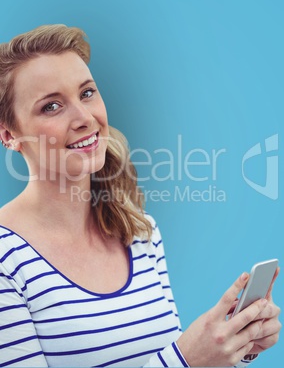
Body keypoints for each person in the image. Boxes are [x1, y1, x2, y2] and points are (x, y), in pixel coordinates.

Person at [0, 25, 281, 367]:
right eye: (52, 106)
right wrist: (186, 360)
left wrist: (231, 349)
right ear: (9, 134)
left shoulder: (138, 230)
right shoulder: (6, 259)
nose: (85, 118)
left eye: (87, 93)